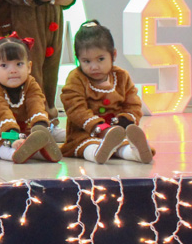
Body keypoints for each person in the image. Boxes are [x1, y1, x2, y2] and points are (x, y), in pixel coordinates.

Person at [60, 21, 154, 163]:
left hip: (117, 132)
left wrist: (125, 121)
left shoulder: (121, 76)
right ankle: (97, 153)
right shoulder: (76, 78)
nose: (94, 67)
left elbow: (133, 104)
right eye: (86, 61)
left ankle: (136, 153)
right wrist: (97, 126)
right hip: (84, 132)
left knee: (123, 144)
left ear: (113, 55)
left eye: (100, 59)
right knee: (87, 146)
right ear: (78, 59)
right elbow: (75, 108)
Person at [0, 34, 62, 162]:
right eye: (4, 66)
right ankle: (14, 153)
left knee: (30, 137)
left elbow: (36, 103)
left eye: (19, 64)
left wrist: (40, 126)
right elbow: (0, 111)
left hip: (21, 130)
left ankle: (41, 151)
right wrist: (12, 137)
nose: (13, 70)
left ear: (29, 67)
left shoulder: (31, 83)